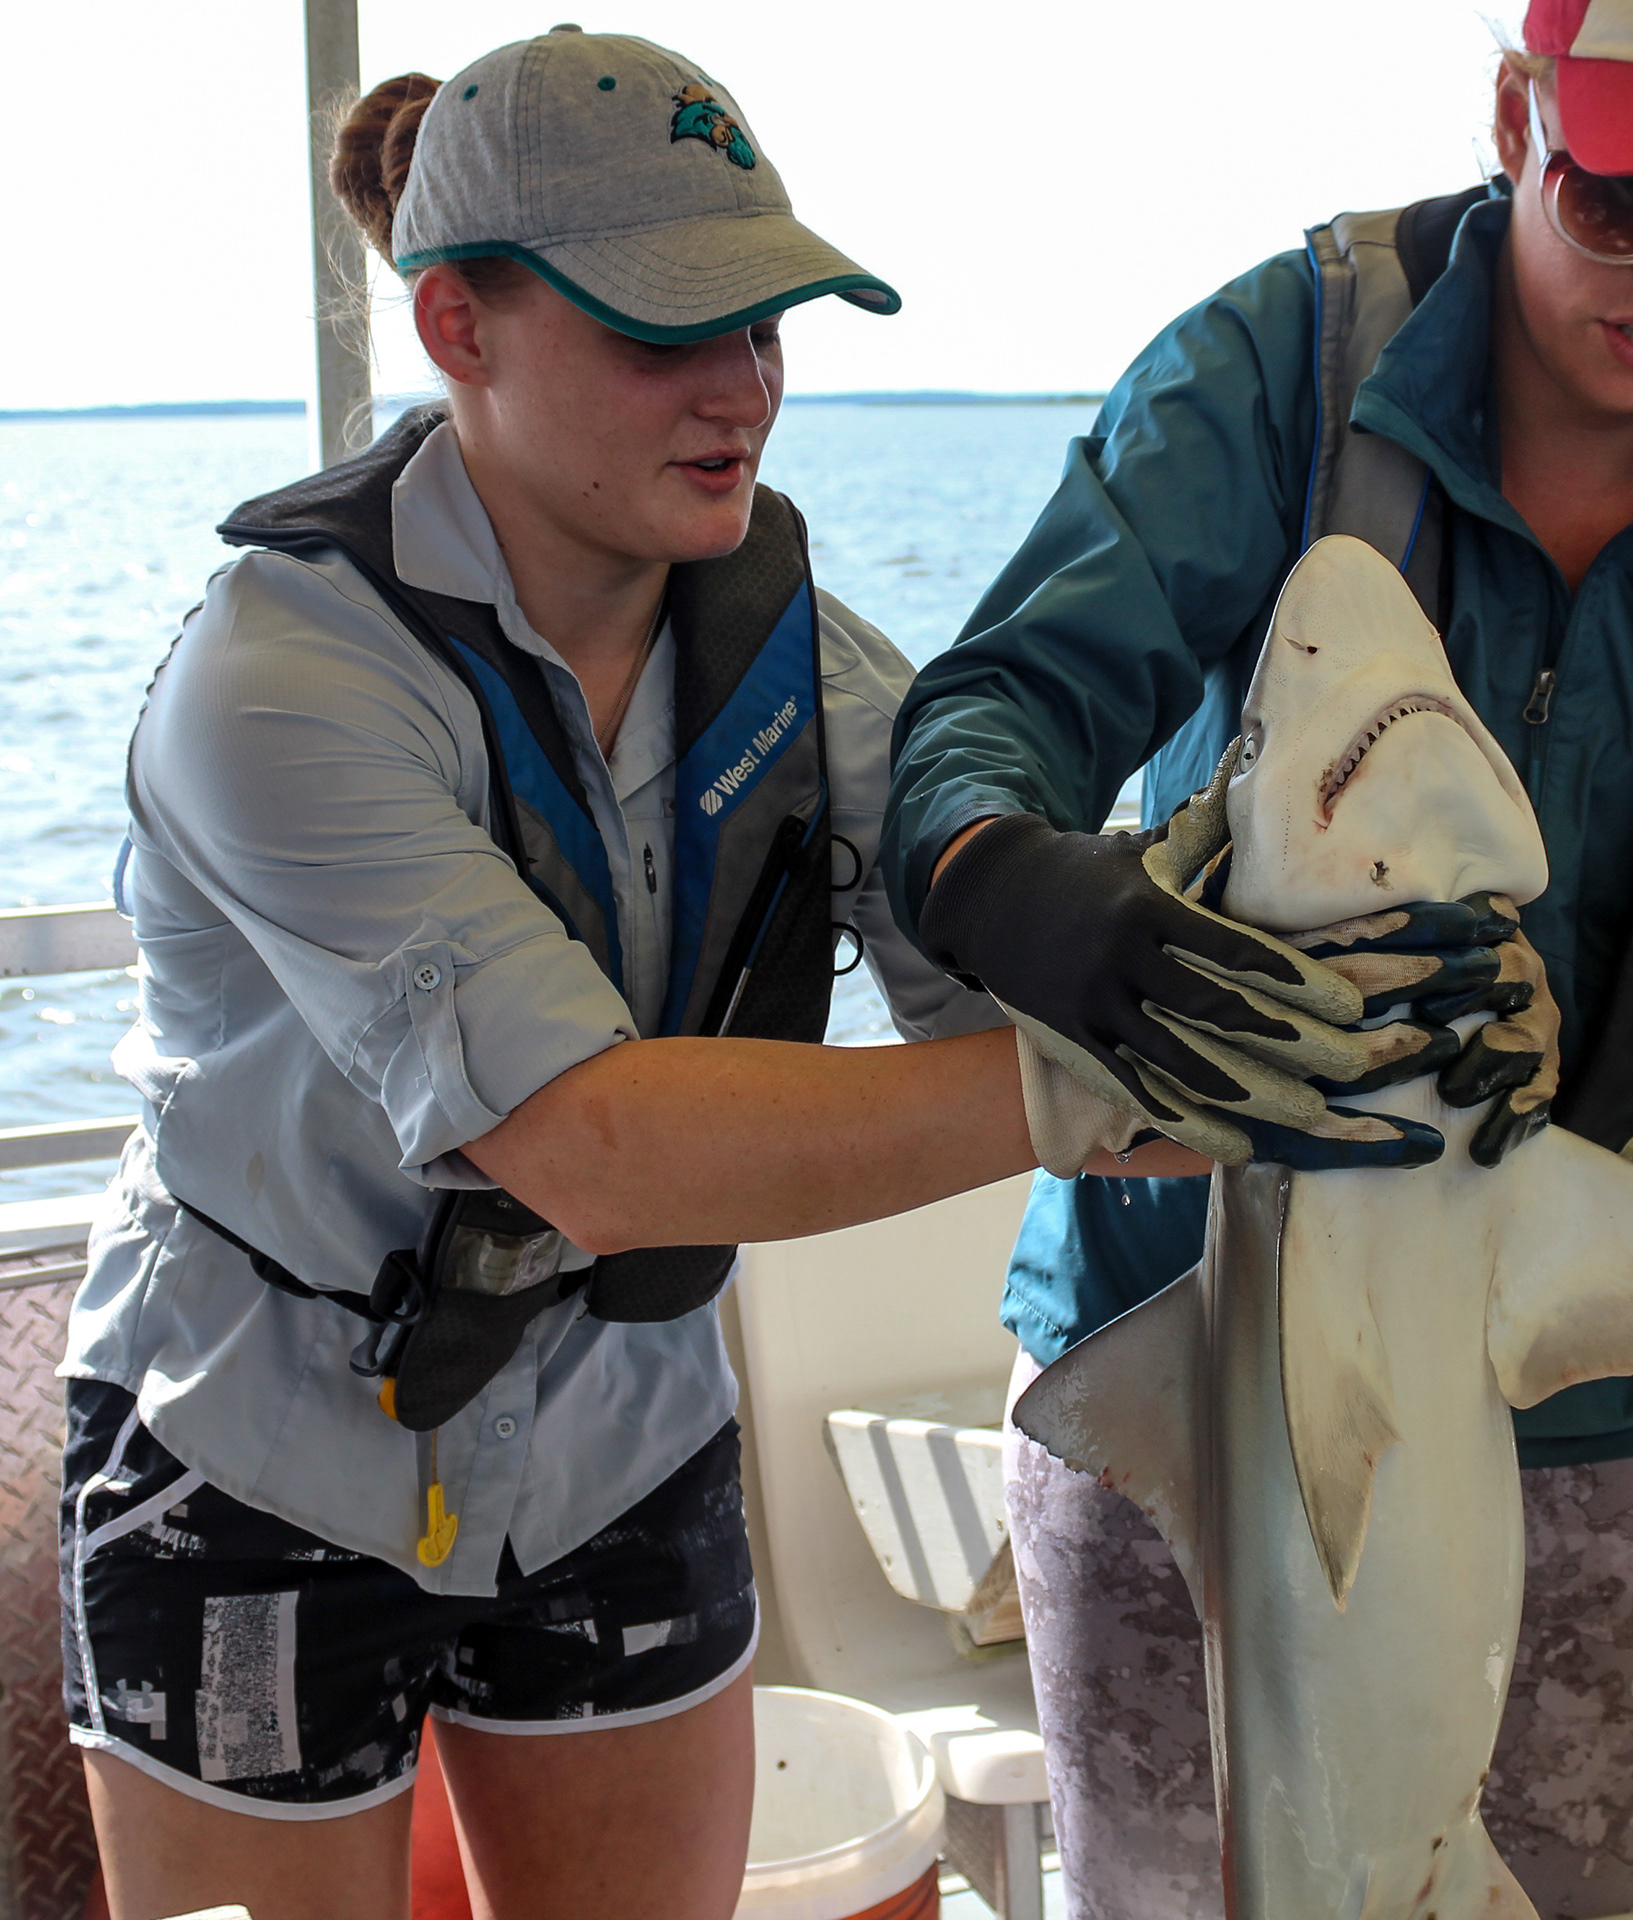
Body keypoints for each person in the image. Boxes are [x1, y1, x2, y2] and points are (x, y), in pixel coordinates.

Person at [53, 29, 1210, 1920]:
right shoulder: (279, 680)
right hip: (251, 1449)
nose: (740, 388)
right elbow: (588, 1146)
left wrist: (1241, 1025)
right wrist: (1086, 1093)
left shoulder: (812, 668)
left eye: (764, 324)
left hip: (617, 1431)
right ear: (457, 325)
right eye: (666, 329)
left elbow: (1014, 997)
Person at [885, 0, 1633, 1913]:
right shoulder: (1275, 371)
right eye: (1623, 199)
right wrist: (1014, 875)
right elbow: (998, 702)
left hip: (1618, 1409)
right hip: (1181, 1351)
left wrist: (1630, 1239)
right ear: (1518, 116)